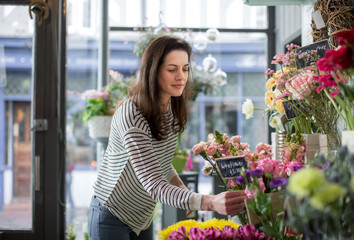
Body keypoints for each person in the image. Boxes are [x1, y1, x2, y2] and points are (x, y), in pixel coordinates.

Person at [88, 35, 247, 240]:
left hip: (142, 215)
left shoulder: (170, 106)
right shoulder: (132, 113)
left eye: (185, 69)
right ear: (152, 72)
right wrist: (209, 202)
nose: (181, 76)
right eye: (172, 69)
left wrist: (180, 188)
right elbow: (154, 184)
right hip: (111, 214)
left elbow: (160, 161)